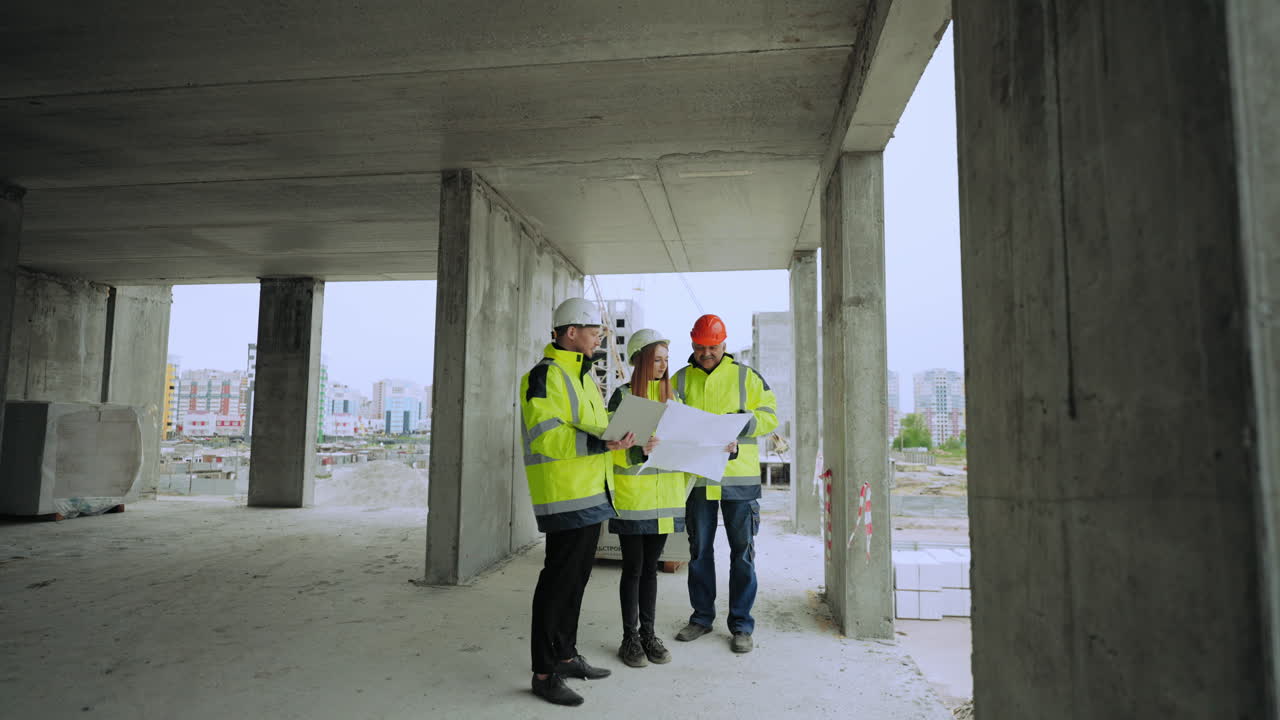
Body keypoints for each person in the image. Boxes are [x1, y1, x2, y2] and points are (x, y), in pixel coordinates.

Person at [519, 297, 638, 707]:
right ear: (571, 331)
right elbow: (546, 436)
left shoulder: (585, 375)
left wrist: (627, 438)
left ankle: (566, 656)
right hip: (564, 496)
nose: (598, 337)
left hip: (591, 494)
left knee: (576, 583)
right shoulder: (543, 376)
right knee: (557, 585)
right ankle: (544, 672)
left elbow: (598, 430)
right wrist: (602, 440)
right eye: (594, 330)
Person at [671, 314, 778, 654]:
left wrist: (739, 426)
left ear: (724, 344)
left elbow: (771, 415)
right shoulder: (679, 380)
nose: (706, 353)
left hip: (738, 480)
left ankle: (741, 625)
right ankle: (701, 618)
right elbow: (668, 420)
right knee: (699, 552)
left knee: (742, 555)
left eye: (713, 347)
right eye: (701, 347)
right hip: (699, 478)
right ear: (693, 344)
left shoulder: (747, 377)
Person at [605, 329, 683, 668]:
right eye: (657, 359)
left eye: (666, 360)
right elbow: (610, 451)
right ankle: (630, 638)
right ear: (639, 360)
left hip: (665, 498)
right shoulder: (622, 398)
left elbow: (684, 443)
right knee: (633, 569)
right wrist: (639, 449)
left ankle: (649, 634)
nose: (663, 367)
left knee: (650, 569)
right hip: (633, 498)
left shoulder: (674, 401)